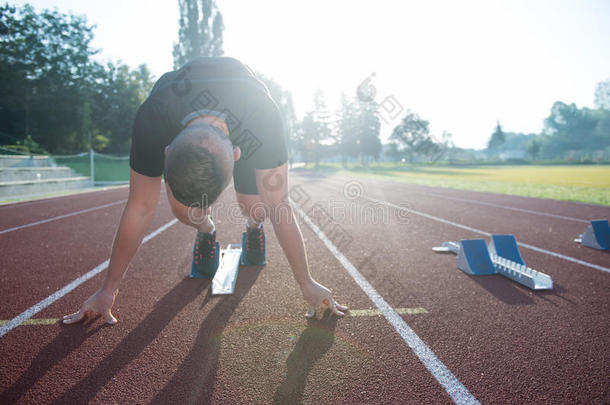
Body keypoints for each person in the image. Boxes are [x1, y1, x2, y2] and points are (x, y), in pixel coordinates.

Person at [63, 57, 348, 325]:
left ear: (238, 154)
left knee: (254, 204)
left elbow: (279, 205)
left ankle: (252, 226)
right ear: (167, 150)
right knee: (183, 210)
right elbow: (140, 207)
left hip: (248, 120)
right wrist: (108, 289)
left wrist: (306, 282)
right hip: (187, 117)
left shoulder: (263, 117)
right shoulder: (152, 119)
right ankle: (207, 229)